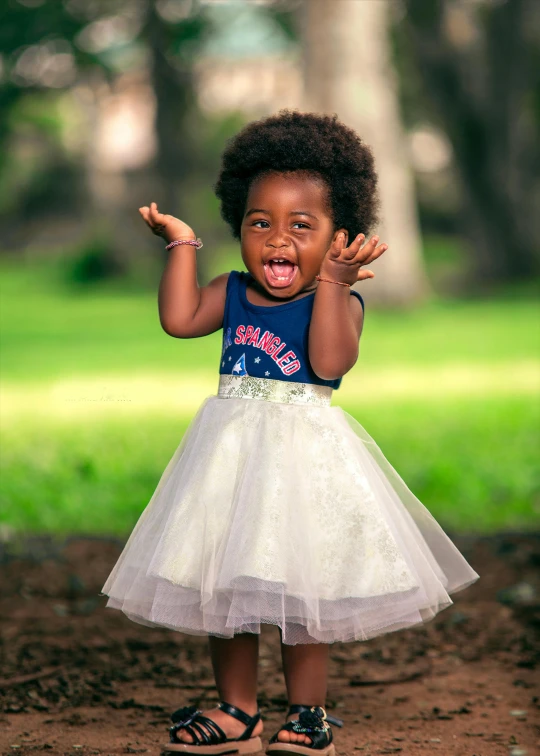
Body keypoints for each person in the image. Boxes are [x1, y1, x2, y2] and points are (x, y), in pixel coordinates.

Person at [101, 110, 480, 756]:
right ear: (239, 227)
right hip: (229, 459)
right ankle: (237, 709)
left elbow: (331, 363)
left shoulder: (339, 298)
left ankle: (308, 714)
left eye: (301, 226)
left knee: (306, 589)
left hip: (304, 462)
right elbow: (180, 318)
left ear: (339, 236)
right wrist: (183, 246)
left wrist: (333, 285)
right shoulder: (235, 291)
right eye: (260, 223)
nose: (278, 240)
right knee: (223, 583)